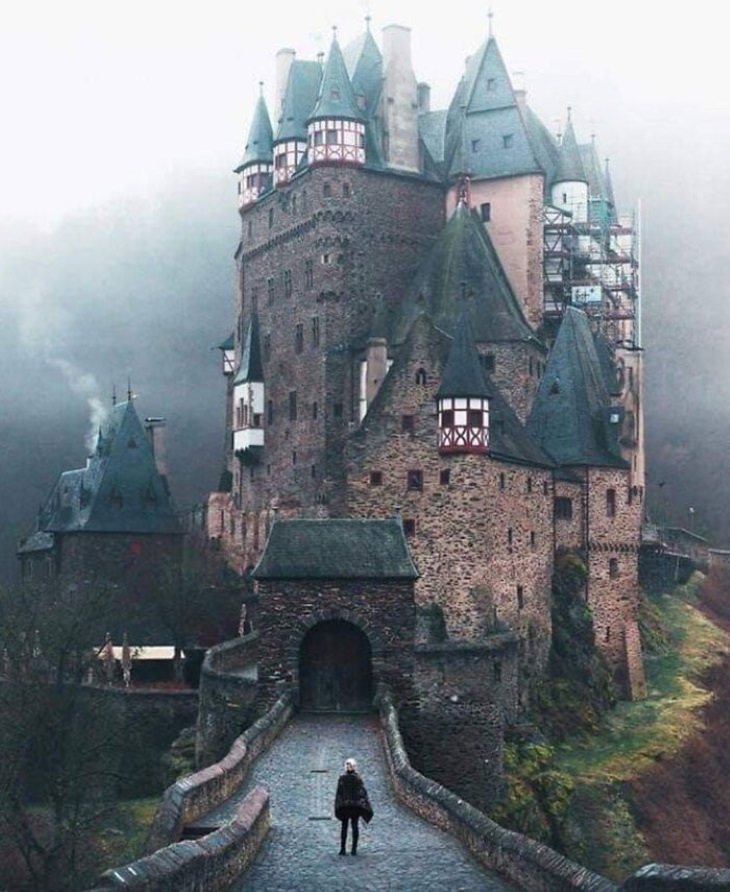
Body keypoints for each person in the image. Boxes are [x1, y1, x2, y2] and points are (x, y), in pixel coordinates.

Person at [334, 757, 373, 856]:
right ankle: (353, 850)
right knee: (354, 826)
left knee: (344, 827)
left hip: (345, 806)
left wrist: (339, 805)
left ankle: (343, 849)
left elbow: (339, 793)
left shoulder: (342, 778)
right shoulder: (358, 779)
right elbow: (362, 793)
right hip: (355, 807)